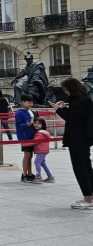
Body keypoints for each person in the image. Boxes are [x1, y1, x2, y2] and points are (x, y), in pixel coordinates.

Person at [53, 77, 93, 208]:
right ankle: (90, 196)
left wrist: (58, 110)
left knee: (80, 168)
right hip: (84, 139)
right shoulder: (84, 100)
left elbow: (73, 120)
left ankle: (88, 198)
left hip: (77, 139)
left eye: (65, 88)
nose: (64, 91)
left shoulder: (76, 102)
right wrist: (65, 108)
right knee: (87, 167)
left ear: (70, 89)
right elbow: (78, 117)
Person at [15, 95, 38, 182]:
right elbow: (18, 125)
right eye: (28, 102)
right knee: (27, 155)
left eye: (31, 102)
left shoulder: (31, 112)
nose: (30, 104)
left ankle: (30, 173)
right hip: (25, 136)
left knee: (30, 155)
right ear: (23, 102)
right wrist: (26, 125)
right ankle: (24, 174)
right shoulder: (20, 113)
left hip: (32, 135)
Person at [30, 118, 54, 184]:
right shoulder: (43, 132)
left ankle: (38, 177)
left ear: (42, 125)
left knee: (37, 162)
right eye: (35, 123)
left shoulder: (39, 133)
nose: (36, 125)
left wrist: (25, 144)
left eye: (38, 124)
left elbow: (34, 142)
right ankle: (50, 177)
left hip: (41, 150)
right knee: (42, 163)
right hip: (43, 150)